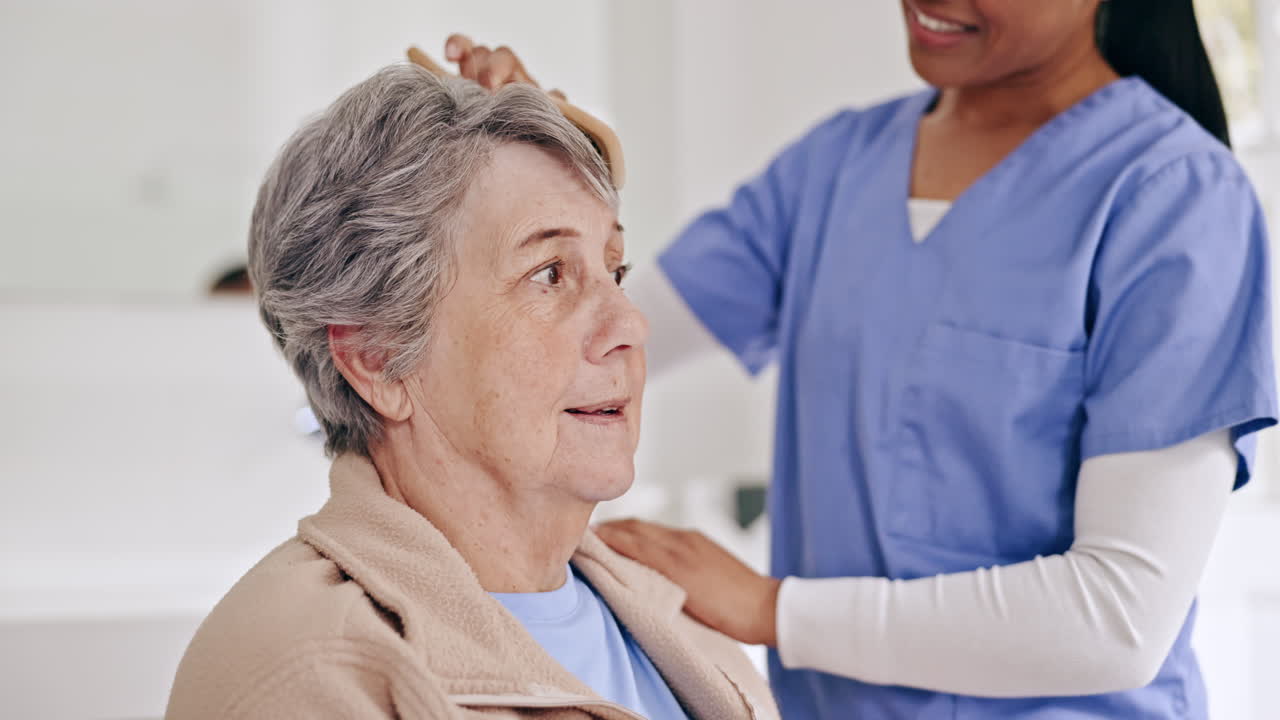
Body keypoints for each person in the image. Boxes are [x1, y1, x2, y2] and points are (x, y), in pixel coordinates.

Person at [446, 0, 1278, 717]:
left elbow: (1119, 621)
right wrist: (540, 176)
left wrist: (775, 611)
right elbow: (596, 333)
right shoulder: (834, 170)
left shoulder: (1174, 198)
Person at [165, 63, 777, 720]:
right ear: (377, 359)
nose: (630, 324)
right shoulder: (303, 672)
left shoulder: (678, 621)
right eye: (549, 273)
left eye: (614, 269)